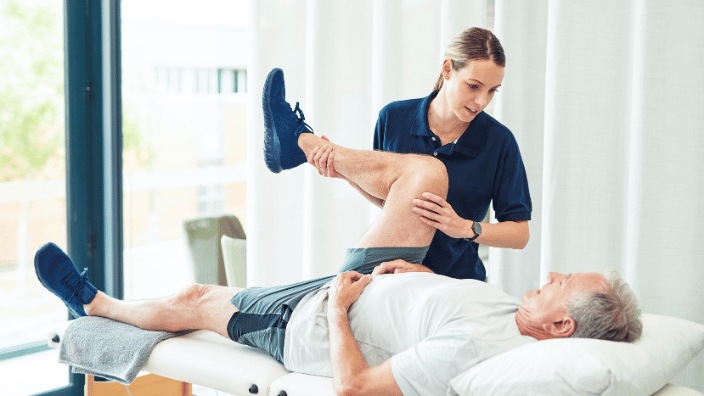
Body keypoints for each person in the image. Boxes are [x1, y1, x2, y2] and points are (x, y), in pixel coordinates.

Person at [35, 69, 642, 396]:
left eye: (563, 284)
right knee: (424, 173)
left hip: (319, 317)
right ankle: (301, 147)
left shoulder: (482, 355)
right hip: (382, 276)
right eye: (472, 86)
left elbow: (353, 388)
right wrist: (423, 275)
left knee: (199, 300)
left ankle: (95, 303)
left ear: (561, 326)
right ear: (448, 75)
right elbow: (391, 202)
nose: (553, 276)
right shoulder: (513, 312)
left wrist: (338, 314)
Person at [305, 27, 530, 281]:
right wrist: (345, 175)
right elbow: (389, 201)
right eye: (474, 86)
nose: (481, 101)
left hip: (454, 281)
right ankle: (311, 145)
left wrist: (465, 227)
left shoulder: (499, 142)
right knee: (327, 296)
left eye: (492, 91)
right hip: (389, 273)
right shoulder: (393, 118)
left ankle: (301, 140)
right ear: (448, 69)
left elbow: (520, 234)